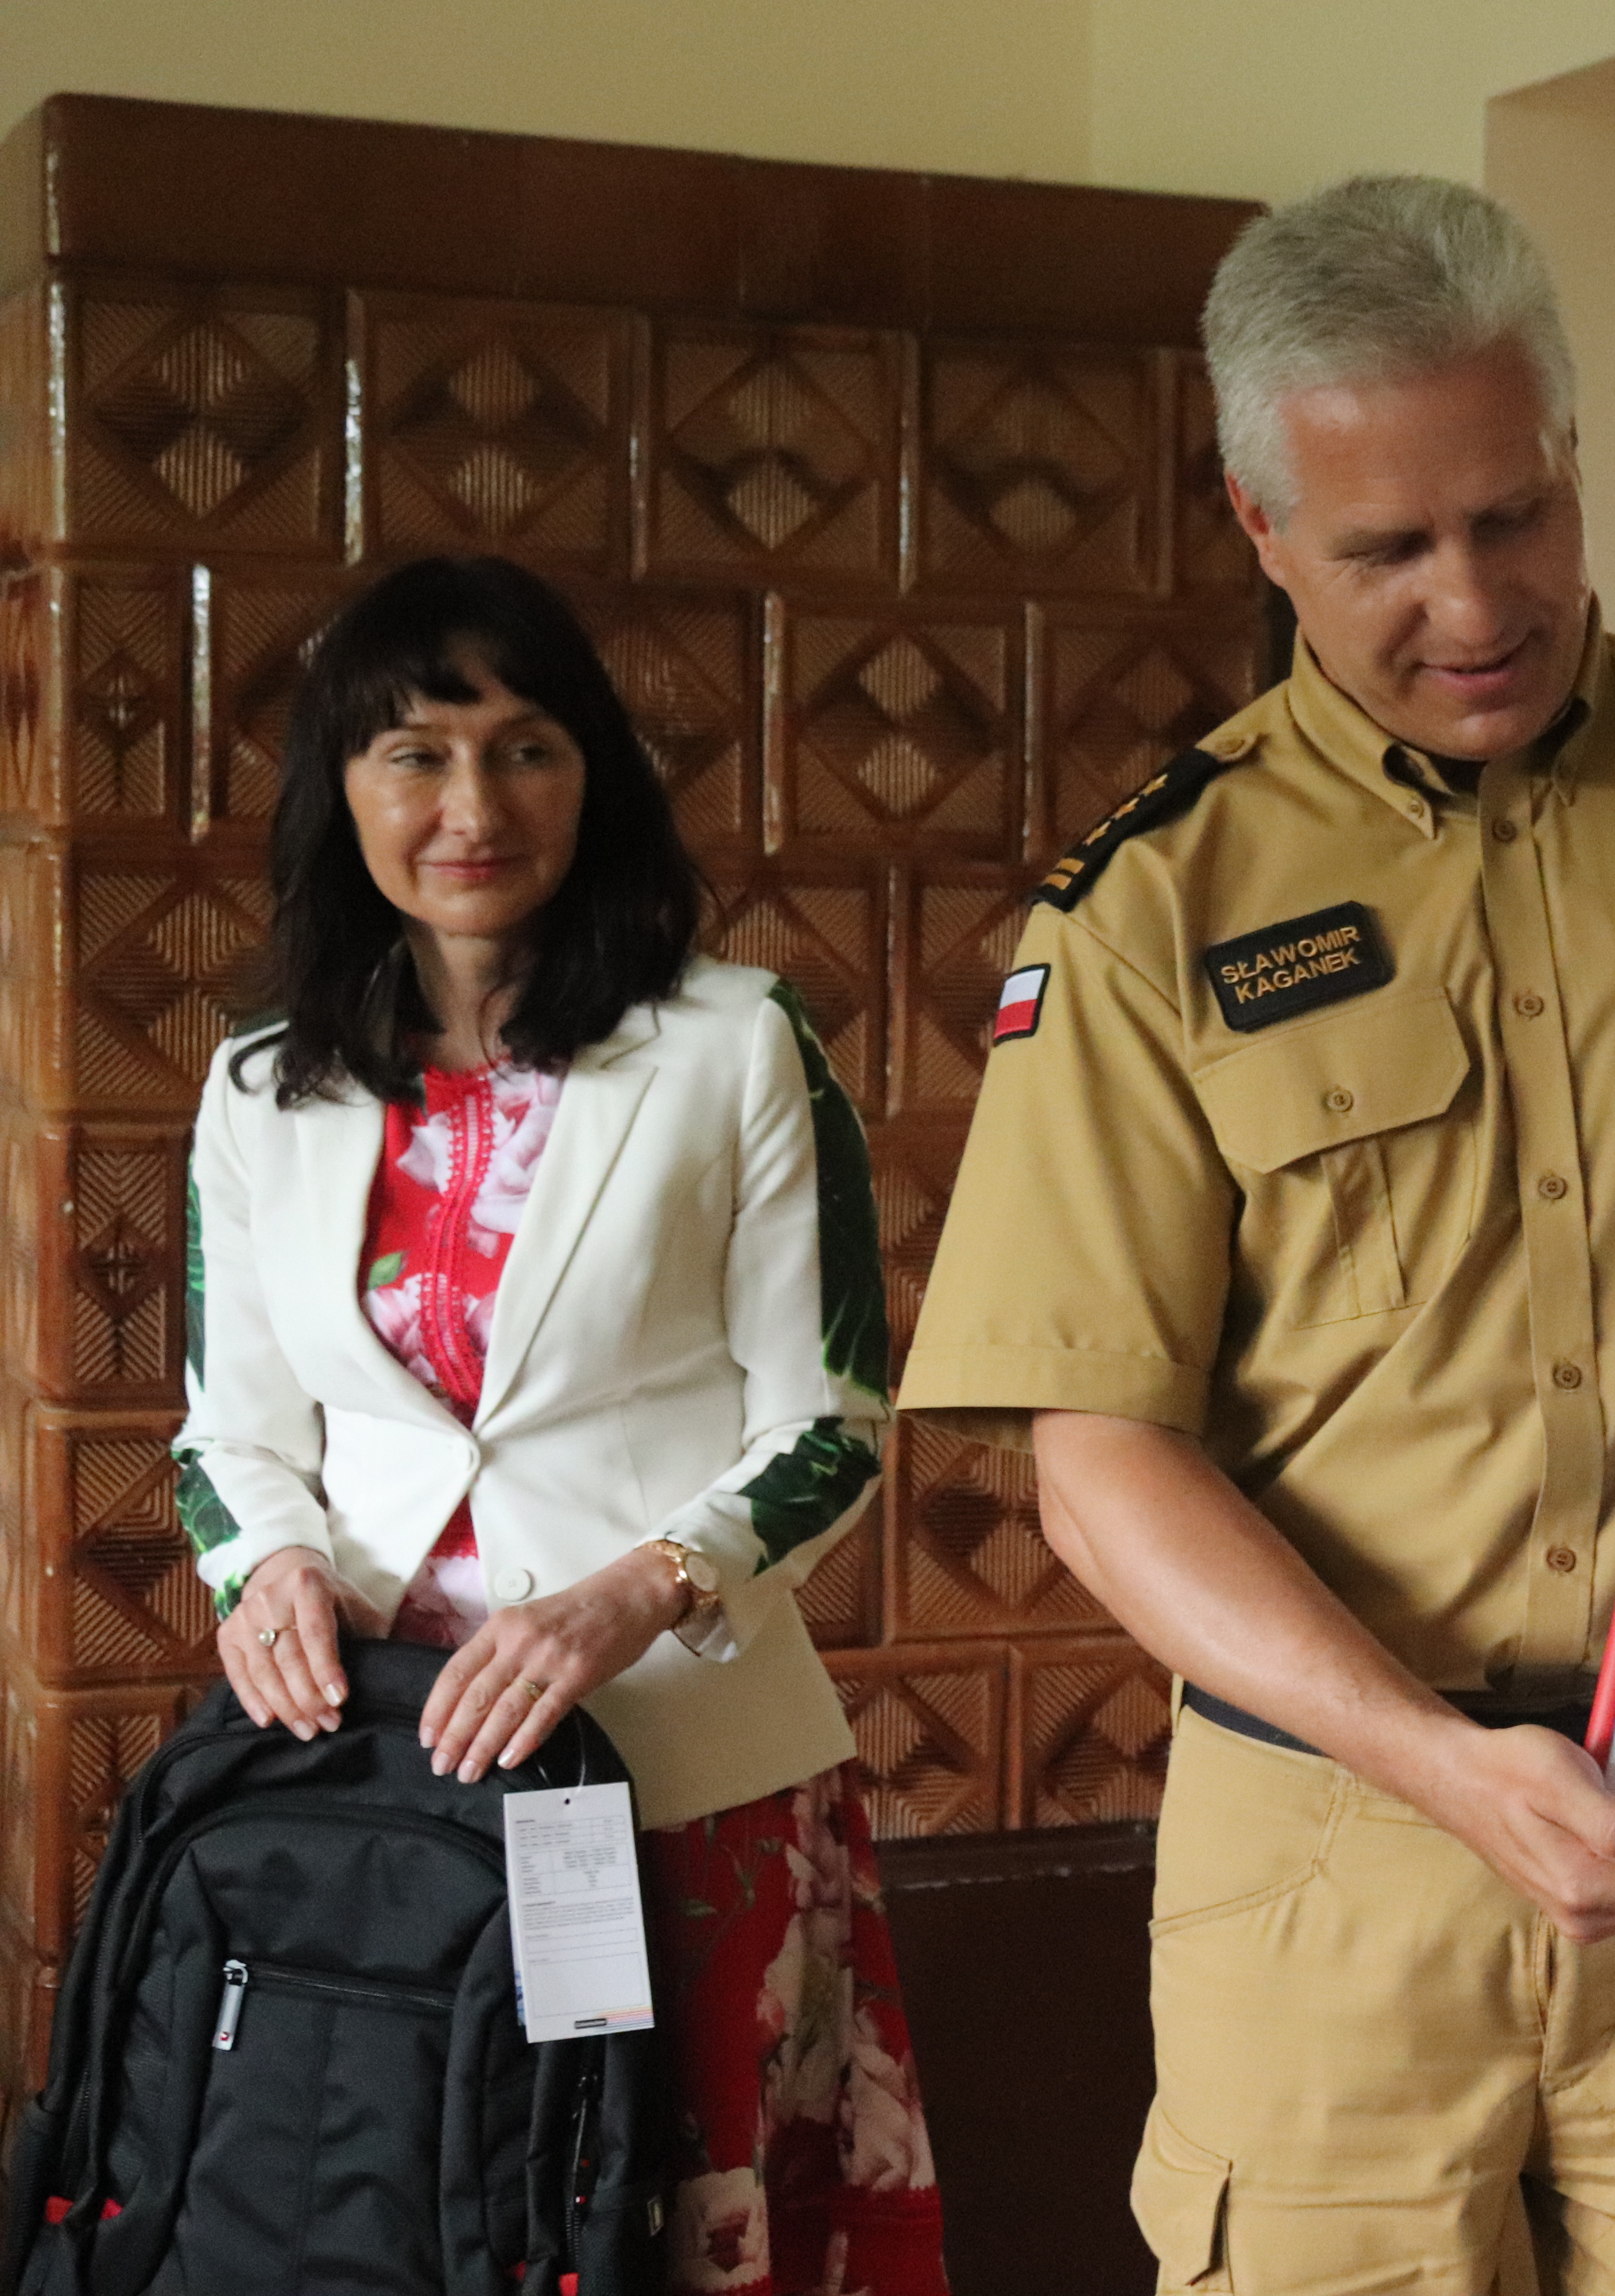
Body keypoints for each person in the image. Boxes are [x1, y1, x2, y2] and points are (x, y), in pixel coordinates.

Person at [898, 176, 1615, 2291]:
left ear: (1569, 457)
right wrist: (1436, 1762)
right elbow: (1098, 1455)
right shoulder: (1158, 905)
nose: (1475, 600)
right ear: (1263, 529)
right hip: (1337, 1846)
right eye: (1389, 550)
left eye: (1516, 515)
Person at [176, 555, 952, 2296]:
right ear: (341, 790)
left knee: (688, 2232)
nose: (473, 807)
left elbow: (830, 1420)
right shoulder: (259, 1089)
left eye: (524, 749)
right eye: (415, 755)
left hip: (679, 1768)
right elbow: (229, 1435)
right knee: (390, 2214)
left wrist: (635, 1591)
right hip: (379, 1781)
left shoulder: (736, 1045)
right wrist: (267, 1569)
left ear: (593, 775)